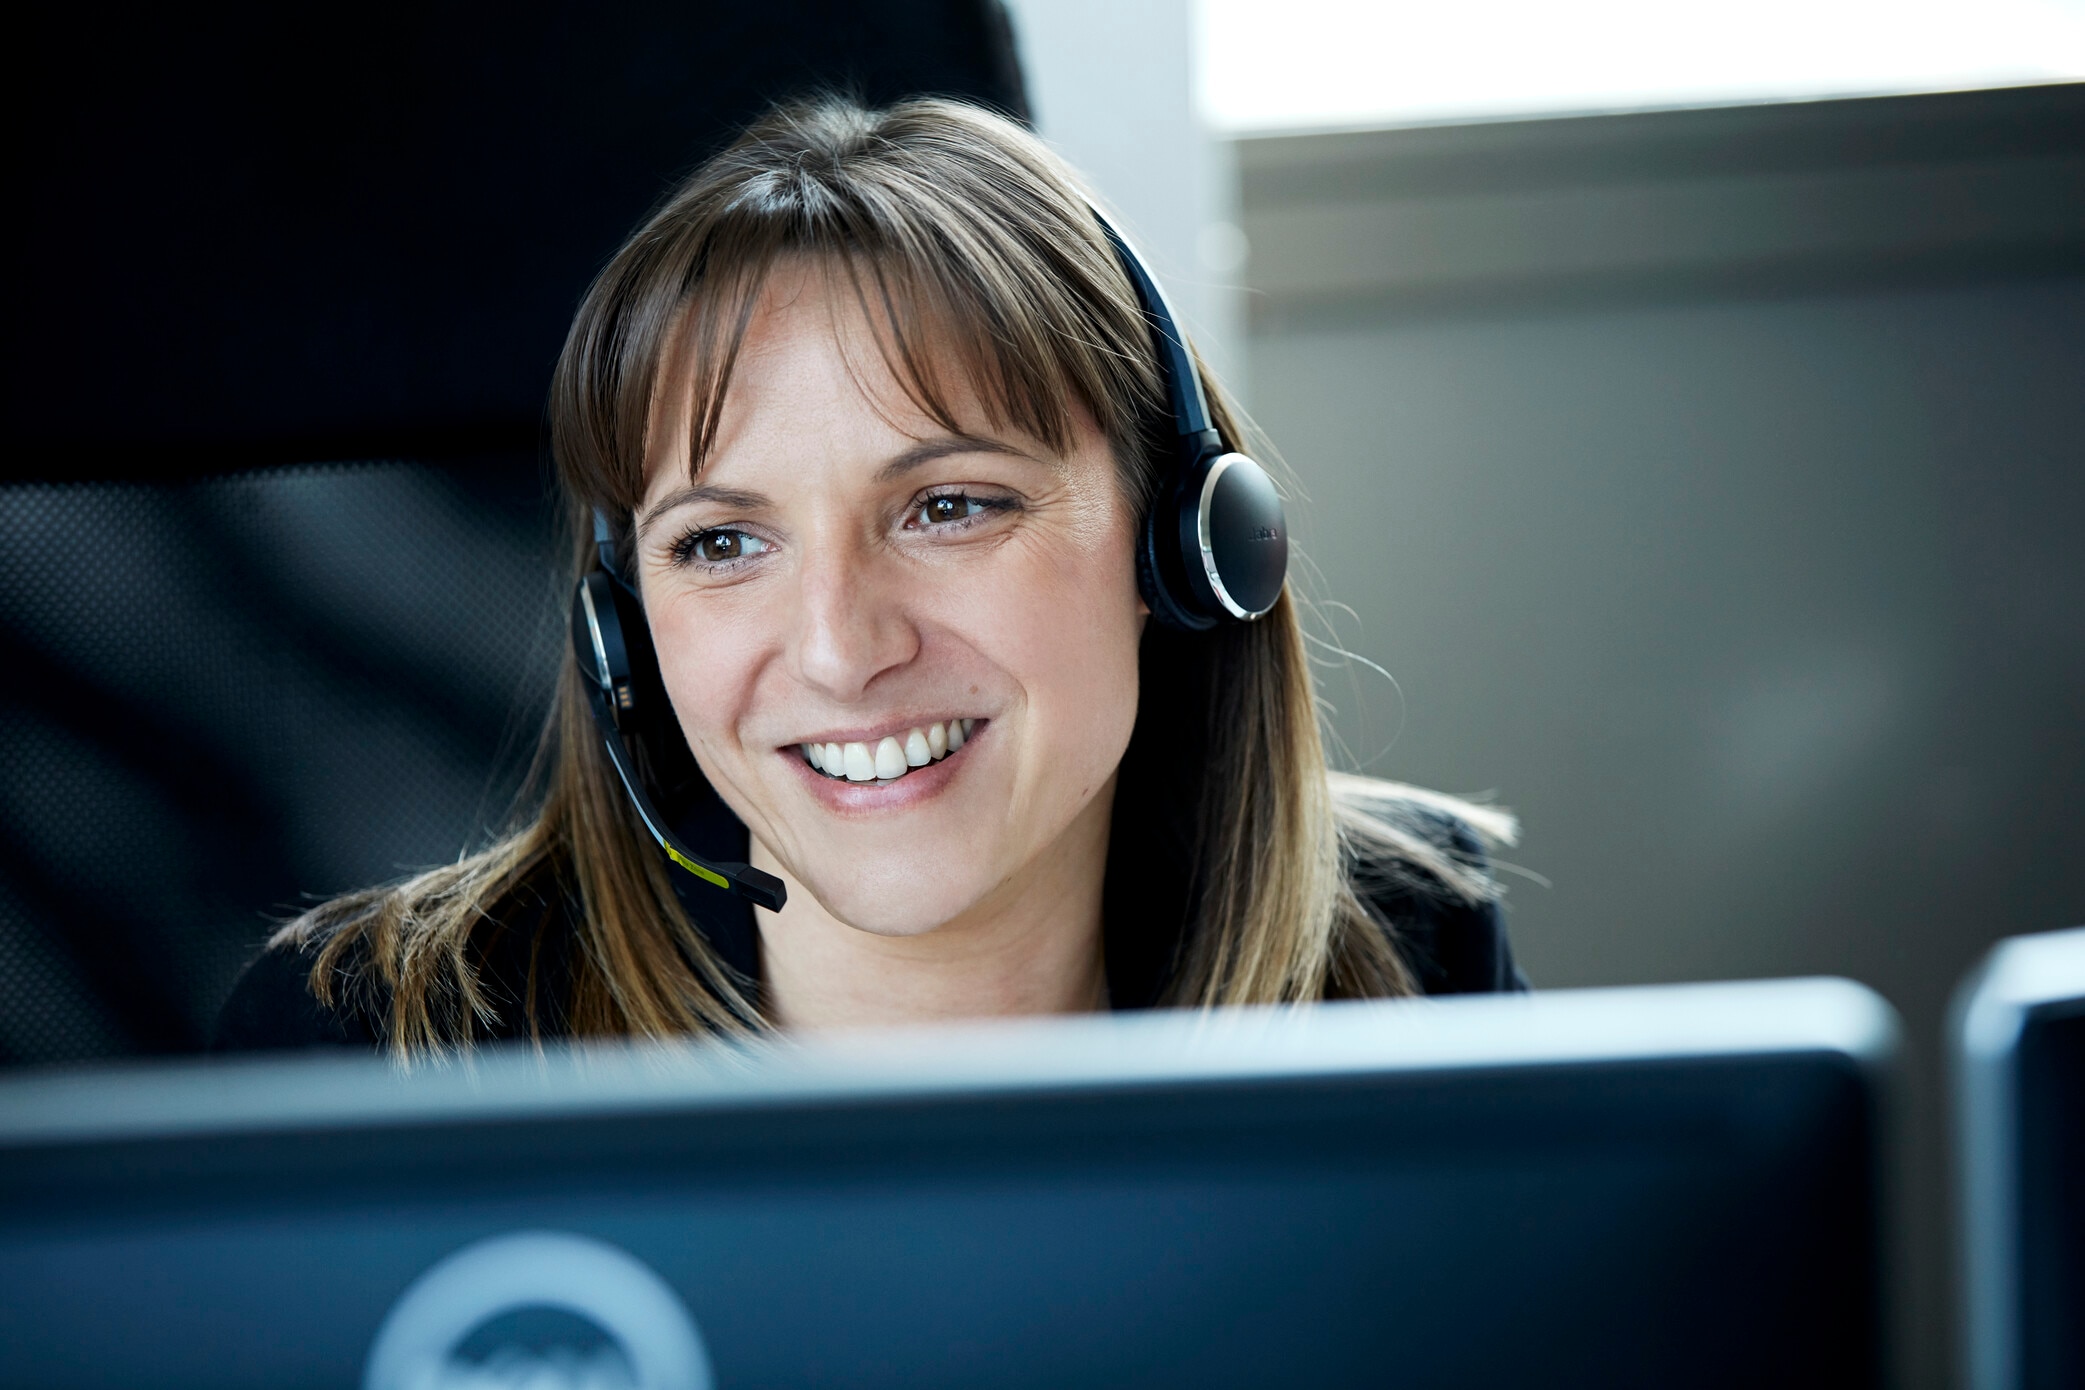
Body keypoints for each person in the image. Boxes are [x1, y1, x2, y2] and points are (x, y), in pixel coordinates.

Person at [215, 95, 1525, 1058]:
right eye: (721, 542)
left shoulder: (1402, 952)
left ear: (1184, 546)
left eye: (949, 508)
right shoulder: (368, 1050)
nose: (839, 649)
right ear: (625, 636)